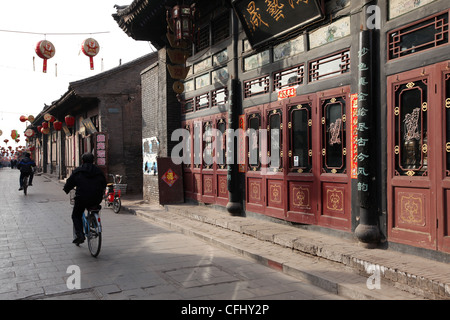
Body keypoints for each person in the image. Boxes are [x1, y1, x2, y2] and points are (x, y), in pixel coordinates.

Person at [63, 152, 106, 244]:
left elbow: (69, 183)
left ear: (82, 161)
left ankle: (80, 235)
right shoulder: (99, 171)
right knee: (94, 206)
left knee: (76, 215)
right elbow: (104, 183)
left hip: (82, 198)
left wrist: (66, 189)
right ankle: (93, 221)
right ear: (93, 161)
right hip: (96, 198)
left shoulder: (78, 171)